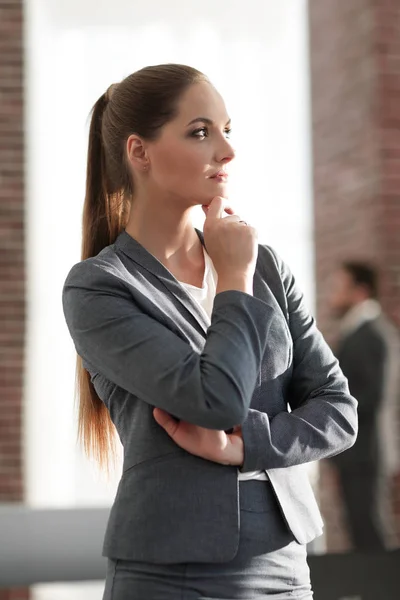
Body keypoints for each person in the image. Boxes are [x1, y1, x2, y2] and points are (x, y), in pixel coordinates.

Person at [62, 64, 358, 600]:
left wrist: (249, 446)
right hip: (169, 572)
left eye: (227, 129)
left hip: (285, 567)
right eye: (201, 132)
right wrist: (235, 278)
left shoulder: (266, 264)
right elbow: (214, 398)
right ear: (140, 152)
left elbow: (339, 410)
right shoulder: (100, 287)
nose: (226, 149)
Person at [329, 262, 400, 551]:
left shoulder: (371, 333)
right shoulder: (356, 332)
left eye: (339, 287)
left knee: (370, 531)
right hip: (355, 453)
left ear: (360, 291)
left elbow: (374, 395)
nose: (333, 294)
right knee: (359, 531)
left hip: (365, 452)